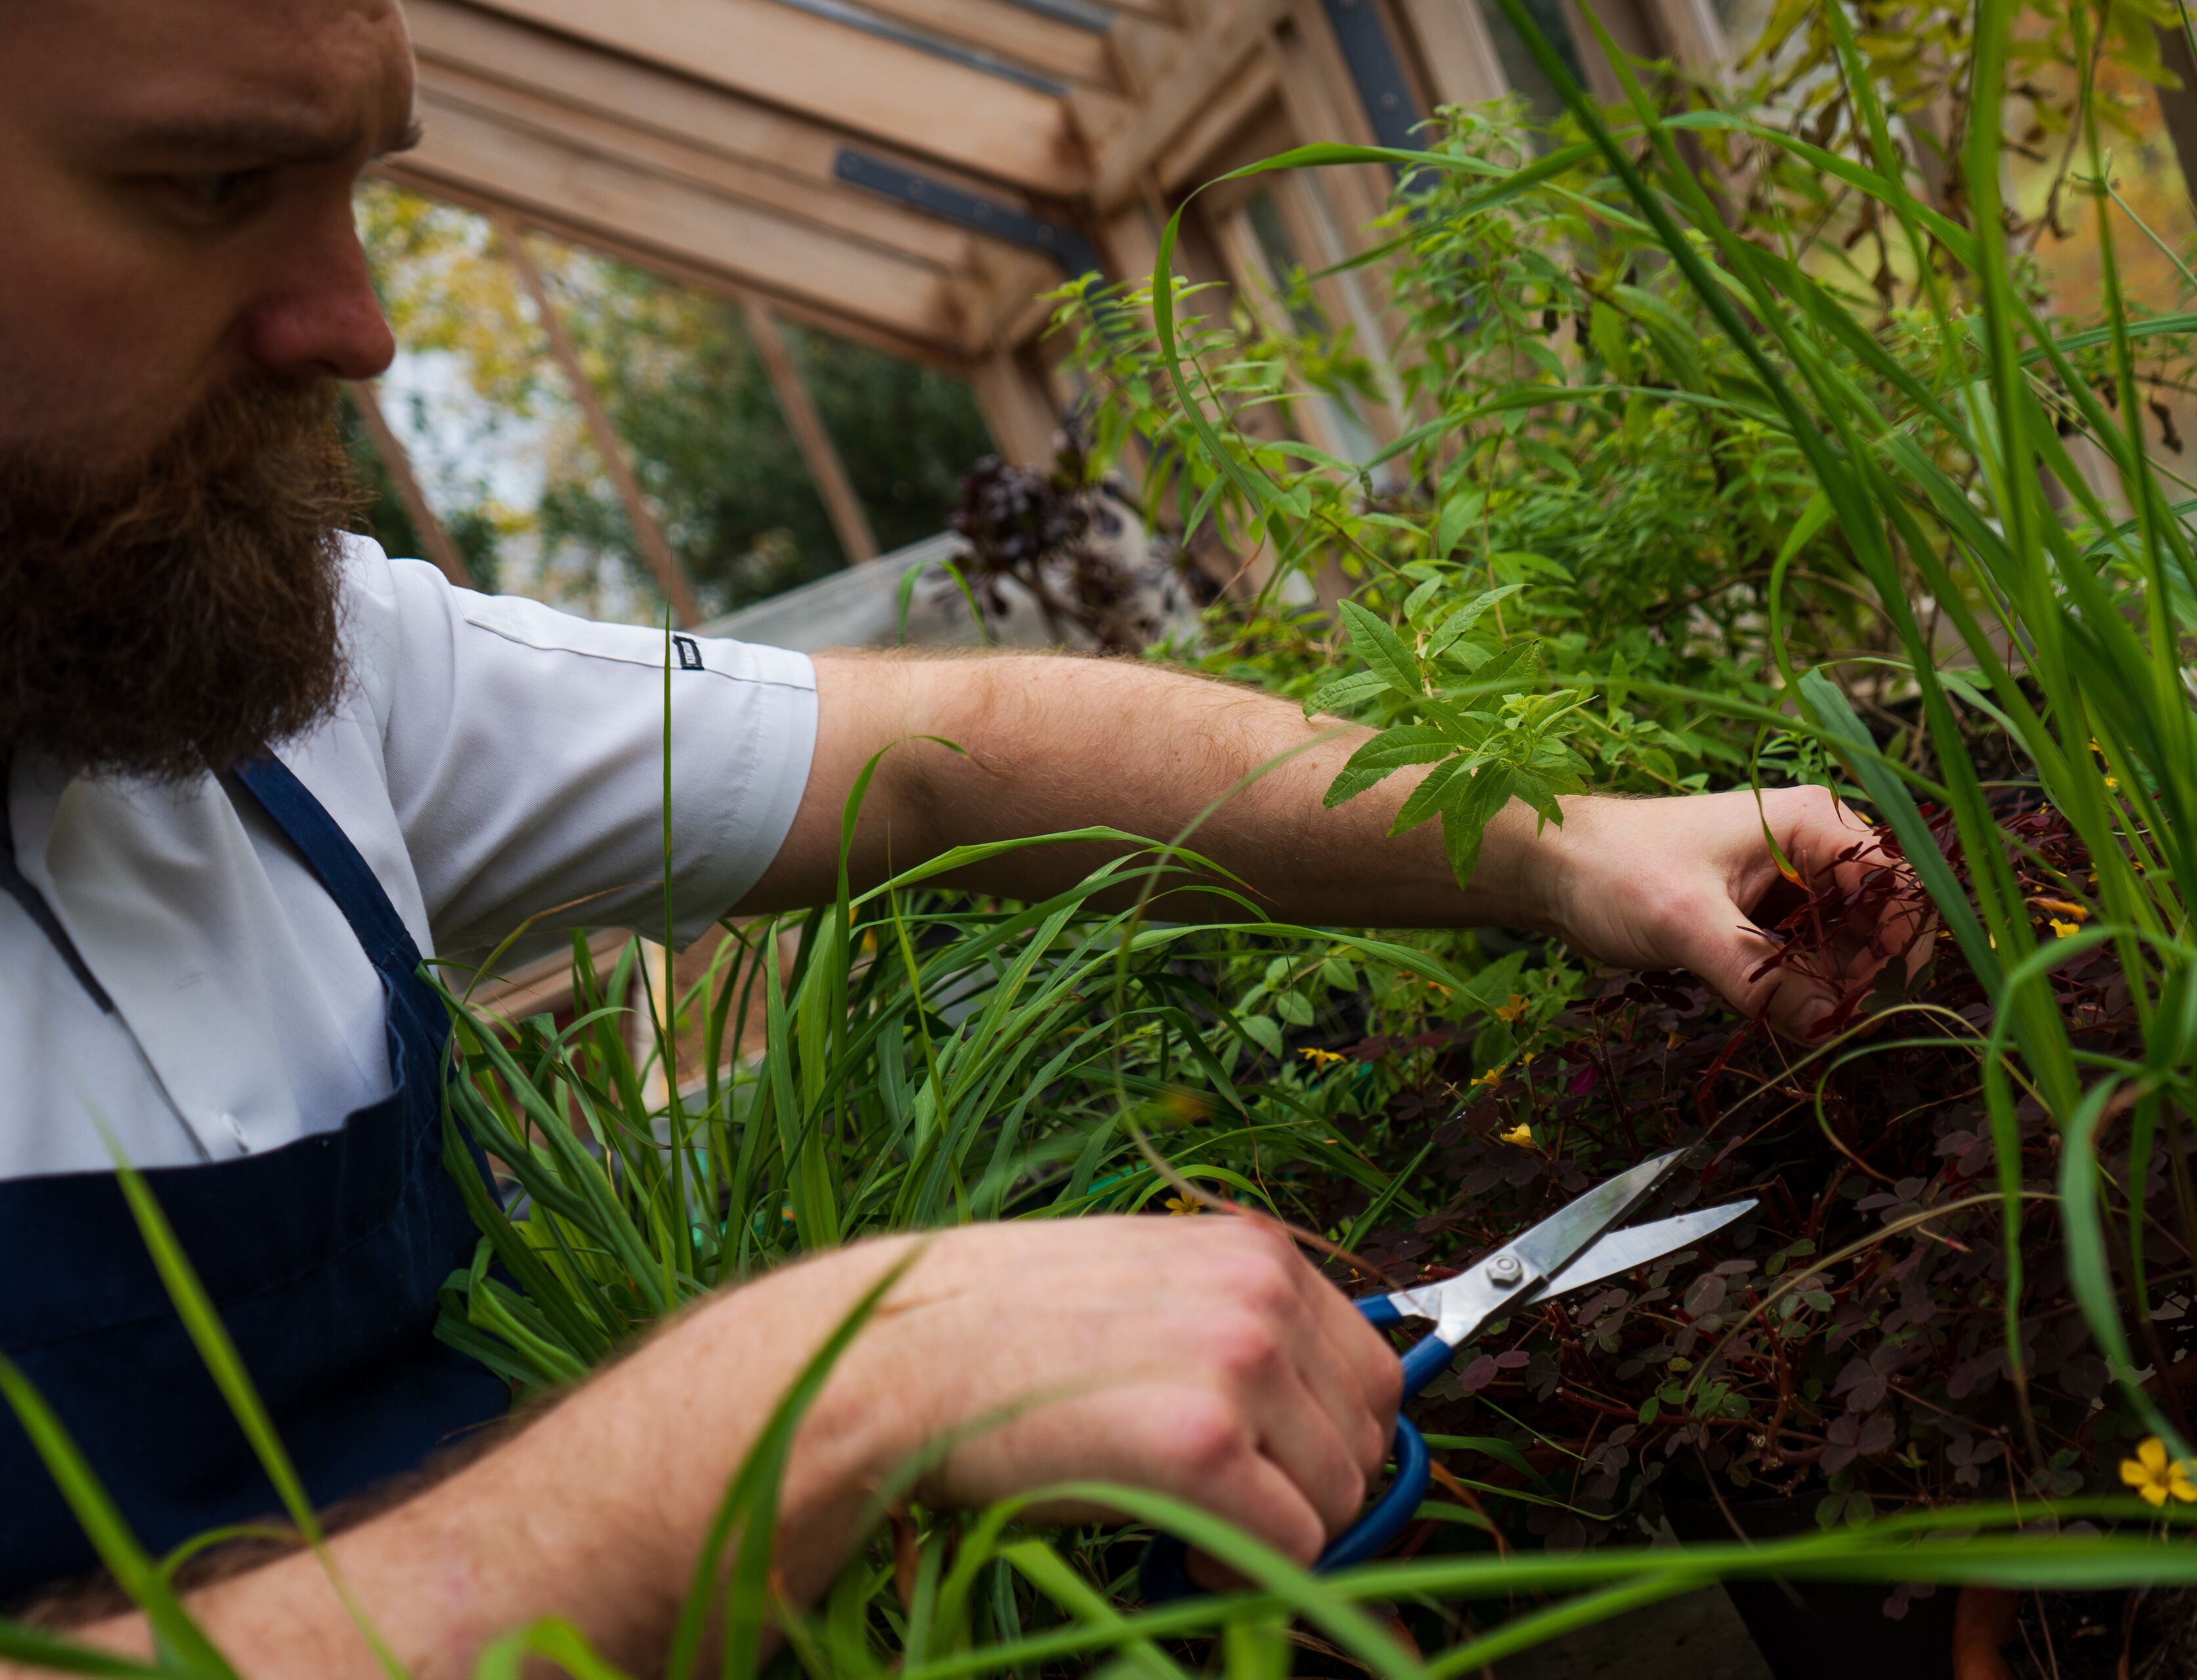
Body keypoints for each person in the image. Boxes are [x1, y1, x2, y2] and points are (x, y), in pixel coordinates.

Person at [0, 0, 1896, 1670]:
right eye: (209, 181)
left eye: (360, 185)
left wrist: (1556, 846)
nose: (359, 327)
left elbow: (935, 756)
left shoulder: (296, 677)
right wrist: (832, 1394)